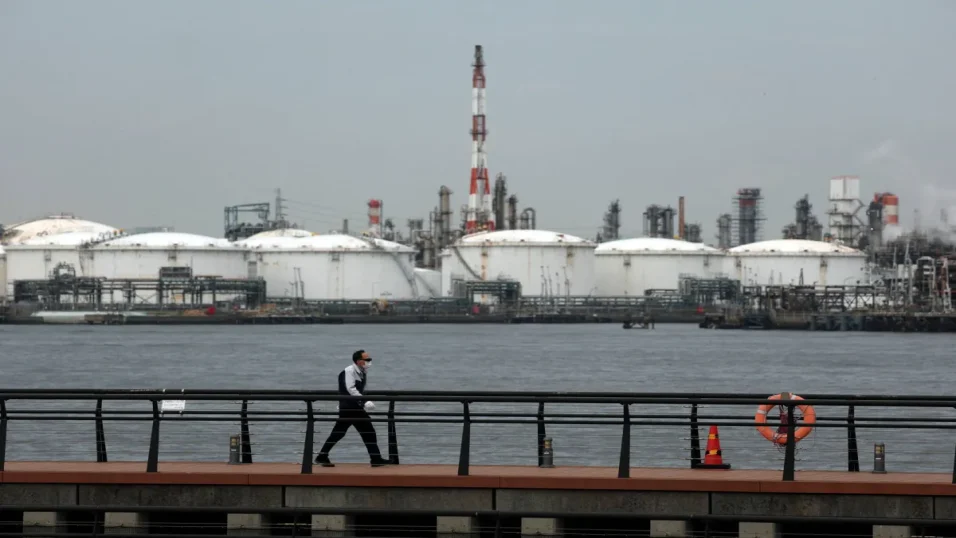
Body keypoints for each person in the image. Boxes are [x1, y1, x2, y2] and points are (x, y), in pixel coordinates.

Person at [315, 350, 389, 467]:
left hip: (351, 407)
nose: (369, 361)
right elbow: (351, 389)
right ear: (359, 361)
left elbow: (359, 390)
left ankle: (322, 456)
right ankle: (375, 458)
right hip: (350, 407)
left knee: (339, 432)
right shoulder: (349, 371)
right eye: (367, 359)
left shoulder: (361, 372)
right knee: (367, 431)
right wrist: (364, 401)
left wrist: (364, 399)